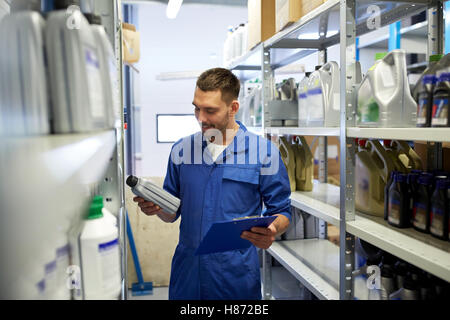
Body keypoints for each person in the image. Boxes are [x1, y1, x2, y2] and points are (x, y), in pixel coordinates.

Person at [133, 67, 291, 300]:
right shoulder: (182, 150)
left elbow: (283, 212)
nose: (201, 118)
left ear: (233, 108)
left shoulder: (263, 153)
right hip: (188, 275)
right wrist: (156, 209)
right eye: (196, 108)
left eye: (210, 110)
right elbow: (171, 213)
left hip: (235, 278)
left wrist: (272, 230)